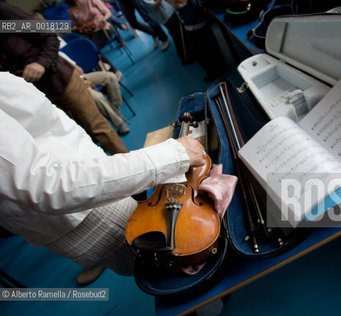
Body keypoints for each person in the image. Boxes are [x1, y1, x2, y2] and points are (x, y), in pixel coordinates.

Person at [0, 72, 206, 275]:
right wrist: (172, 155)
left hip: (90, 185)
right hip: (83, 211)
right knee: (177, 263)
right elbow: (44, 185)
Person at [0, 2, 128, 155]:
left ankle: (133, 171)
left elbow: (49, 37)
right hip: (37, 94)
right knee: (73, 141)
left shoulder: (4, 17)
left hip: (60, 79)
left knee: (98, 128)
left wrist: (41, 63)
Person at [65, 0, 123, 79]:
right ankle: (102, 67)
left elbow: (107, 13)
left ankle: (111, 70)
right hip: (89, 33)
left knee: (91, 48)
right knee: (83, 47)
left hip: (103, 28)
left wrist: (103, 19)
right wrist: (75, 29)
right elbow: (78, 26)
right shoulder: (71, 11)